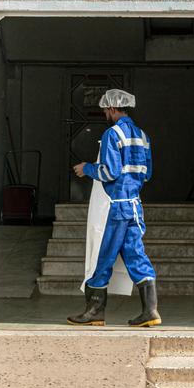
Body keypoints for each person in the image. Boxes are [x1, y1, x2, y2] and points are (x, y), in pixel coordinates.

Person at [67, 88, 161, 327]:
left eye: (105, 110)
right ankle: (150, 311)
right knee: (136, 256)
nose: (105, 114)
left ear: (111, 108)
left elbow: (109, 171)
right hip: (134, 206)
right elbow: (147, 173)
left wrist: (86, 168)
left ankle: (94, 312)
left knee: (102, 256)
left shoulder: (112, 134)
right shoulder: (142, 135)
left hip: (114, 208)